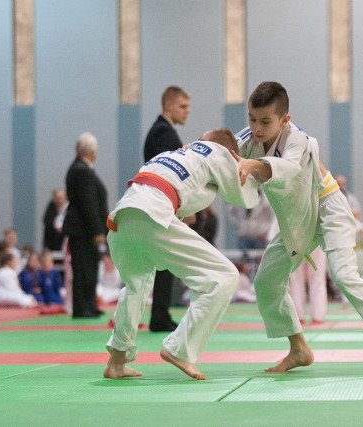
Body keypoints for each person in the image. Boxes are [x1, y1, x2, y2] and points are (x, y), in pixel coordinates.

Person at [236, 81, 363, 374]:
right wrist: (196, 149)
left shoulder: (299, 140)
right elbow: (222, 148)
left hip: (328, 207)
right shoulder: (250, 140)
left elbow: (289, 169)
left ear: (285, 120)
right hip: (299, 216)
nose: (257, 127)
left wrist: (249, 165)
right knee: (266, 280)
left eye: (266, 121)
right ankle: (298, 348)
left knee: (345, 275)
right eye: (252, 119)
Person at [103, 128, 259, 380]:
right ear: (231, 153)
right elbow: (245, 198)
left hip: (121, 217)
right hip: (152, 214)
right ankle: (181, 350)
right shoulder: (216, 152)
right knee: (224, 276)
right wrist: (248, 170)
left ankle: (117, 361)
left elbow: (192, 194)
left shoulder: (174, 154)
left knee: (136, 286)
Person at [142, 86, 191, 332]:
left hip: (158, 203)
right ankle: (158, 315)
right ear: (168, 106)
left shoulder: (161, 131)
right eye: (182, 106)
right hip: (162, 204)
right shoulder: (164, 133)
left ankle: (159, 314)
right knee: (161, 262)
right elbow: (171, 173)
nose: (187, 112)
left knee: (162, 262)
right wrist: (185, 204)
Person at [63, 132, 108, 318]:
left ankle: (89, 304)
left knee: (90, 268)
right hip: (83, 230)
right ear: (90, 151)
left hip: (84, 229)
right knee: (83, 270)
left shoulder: (82, 168)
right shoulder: (81, 170)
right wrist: (97, 230)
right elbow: (87, 203)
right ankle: (82, 308)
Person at [227, 189, 274, 254]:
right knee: (243, 261)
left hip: (259, 237)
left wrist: (267, 232)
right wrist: (238, 225)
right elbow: (231, 212)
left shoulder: (265, 199)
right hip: (244, 236)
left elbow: (272, 217)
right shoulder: (241, 196)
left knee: (260, 260)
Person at [289, 246, 328, 324]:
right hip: (316, 239)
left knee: (296, 278)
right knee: (316, 278)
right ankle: (318, 316)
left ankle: (298, 316)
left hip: (293, 240)